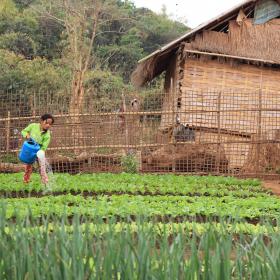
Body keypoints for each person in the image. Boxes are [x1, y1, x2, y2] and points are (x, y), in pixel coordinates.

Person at [21, 113, 54, 184]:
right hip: (30, 150)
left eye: (50, 124)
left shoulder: (47, 135)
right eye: (47, 123)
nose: (48, 125)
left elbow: (44, 147)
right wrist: (27, 136)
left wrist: (40, 152)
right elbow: (24, 131)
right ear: (42, 121)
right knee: (28, 167)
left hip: (39, 151)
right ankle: (25, 181)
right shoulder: (33, 126)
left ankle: (45, 182)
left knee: (42, 168)